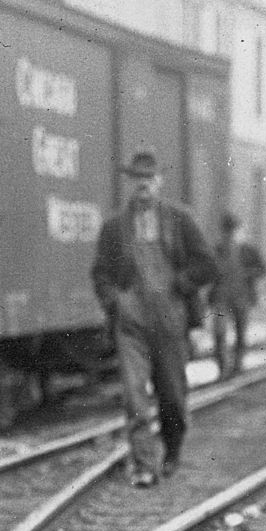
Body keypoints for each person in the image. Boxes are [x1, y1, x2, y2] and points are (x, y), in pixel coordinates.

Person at [92, 150, 217, 486]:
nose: (142, 185)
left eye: (148, 178)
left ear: (159, 182)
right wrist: (115, 302)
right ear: (129, 184)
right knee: (134, 395)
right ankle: (144, 464)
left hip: (171, 321)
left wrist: (181, 283)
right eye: (136, 179)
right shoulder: (114, 227)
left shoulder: (180, 220)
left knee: (173, 398)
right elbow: (100, 273)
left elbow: (208, 264)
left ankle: (172, 450)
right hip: (131, 324)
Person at [209, 211, 266, 377]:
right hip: (220, 297)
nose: (229, 235)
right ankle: (223, 368)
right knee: (219, 333)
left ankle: (237, 366)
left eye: (232, 231)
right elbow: (207, 270)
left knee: (240, 332)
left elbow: (262, 269)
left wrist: (247, 274)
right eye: (226, 231)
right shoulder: (217, 250)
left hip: (242, 297)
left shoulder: (248, 250)